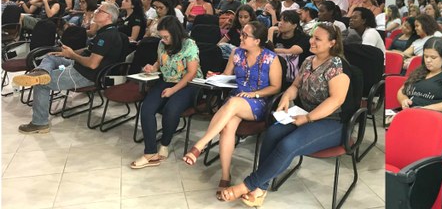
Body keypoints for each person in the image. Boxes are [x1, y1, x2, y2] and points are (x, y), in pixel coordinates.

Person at [217, 23, 349, 207]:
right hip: (305, 114)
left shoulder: (337, 66)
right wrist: (286, 97)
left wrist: (308, 118)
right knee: (272, 133)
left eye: (318, 39)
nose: (311, 41)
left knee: (288, 144)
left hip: (332, 122)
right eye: (312, 37)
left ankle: (247, 185)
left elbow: (336, 100)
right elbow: (295, 86)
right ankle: (260, 188)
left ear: (332, 43)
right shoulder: (308, 61)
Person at [183, 20, 282, 201]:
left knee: (233, 103)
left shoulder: (271, 58)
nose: (240, 37)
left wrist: (254, 94)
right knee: (228, 126)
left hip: (259, 102)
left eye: (245, 35)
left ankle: (200, 145)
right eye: (241, 34)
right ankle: (225, 176)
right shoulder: (236, 53)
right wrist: (215, 76)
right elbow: (227, 76)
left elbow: (276, 87)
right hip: (236, 100)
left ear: (257, 41)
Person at [12, 2, 126, 134]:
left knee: (41, 84)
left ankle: (40, 123)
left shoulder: (107, 36)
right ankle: (42, 72)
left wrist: (72, 55)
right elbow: (89, 50)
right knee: (51, 57)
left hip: (85, 75)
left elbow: (92, 64)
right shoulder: (105, 32)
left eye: (100, 11)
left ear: (108, 17)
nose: (95, 12)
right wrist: (67, 53)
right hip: (79, 66)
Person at [131, 16, 203, 169]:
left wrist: (173, 90)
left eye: (166, 37)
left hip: (189, 83)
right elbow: (160, 61)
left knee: (171, 109)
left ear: (175, 34)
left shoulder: (189, 44)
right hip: (168, 79)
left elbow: (191, 73)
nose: (163, 40)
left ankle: (165, 143)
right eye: (161, 37)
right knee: (147, 108)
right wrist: (153, 67)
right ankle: (150, 152)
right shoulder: (162, 44)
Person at [397, 37, 442, 111]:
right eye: (426, 56)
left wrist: (422, 109)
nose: (428, 60)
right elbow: (401, 91)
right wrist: (404, 100)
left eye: (433, 57)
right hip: (409, 111)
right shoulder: (421, 70)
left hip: (431, 115)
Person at [271, 10, 311, 83]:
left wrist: (273, 50)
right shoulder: (275, 36)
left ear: (294, 25)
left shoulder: (303, 38)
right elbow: (266, 53)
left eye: (285, 21)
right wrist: (270, 31)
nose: (280, 23)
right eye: (280, 20)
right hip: (274, 72)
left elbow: (292, 51)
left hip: (295, 78)